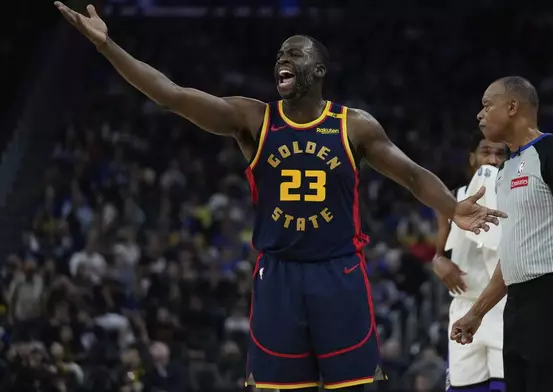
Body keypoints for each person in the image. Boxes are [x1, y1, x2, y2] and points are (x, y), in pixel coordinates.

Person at [53, 3, 507, 391]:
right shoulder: (253, 119)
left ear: (319, 69)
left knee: (356, 385)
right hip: (279, 276)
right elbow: (171, 95)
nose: (282, 59)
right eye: (279, 54)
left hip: (339, 272)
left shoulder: (354, 125)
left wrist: (453, 208)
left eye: (294, 52)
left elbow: (410, 175)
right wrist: (106, 46)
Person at [450, 76, 553, 392]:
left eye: (487, 105)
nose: (480, 114)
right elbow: (514, 252)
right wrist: (477, 313)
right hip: (516, 306)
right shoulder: (505, 170)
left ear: (513, 106)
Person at [433, 133, 506, 392]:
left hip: (504, 306)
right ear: (472, 158)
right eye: (486, 152)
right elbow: (439, 253)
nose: (493, 160)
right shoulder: (452, 198)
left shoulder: (517, 199)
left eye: (500, 154)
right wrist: (439, 263)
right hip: (464, 304)